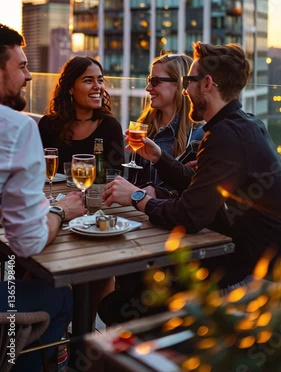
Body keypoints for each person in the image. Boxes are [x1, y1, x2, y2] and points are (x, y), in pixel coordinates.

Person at [103, 42, 281, 293]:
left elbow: (191, 215)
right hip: (240, 254)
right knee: (131, 284)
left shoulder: (225, 135)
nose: (185, 90)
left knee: (128, 295)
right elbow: (204, 188)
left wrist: (136, 196)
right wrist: (160, 159)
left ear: (207, 84)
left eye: (188, 81)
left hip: (250, 272)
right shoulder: (243, 124)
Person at [0, 24, 84, 371]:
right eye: (21, 66)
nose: (30, 76)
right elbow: (27, 242)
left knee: (14, 273)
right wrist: (60, 211)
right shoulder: (17, 128)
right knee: (61, 294)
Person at [129, 53, 204, 198]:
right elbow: (135, 182)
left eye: (155, 81)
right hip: (137, 214)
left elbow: (196, 194)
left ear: (179, 84)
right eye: (149, 80)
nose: (148, 88)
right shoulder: (145, 126)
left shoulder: (200, 135)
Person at [38, 56, 125, 173]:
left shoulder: (111, 126)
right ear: (70, 88)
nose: (97, 87)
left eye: (100, 80)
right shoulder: (48, 125)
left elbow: (115, 176)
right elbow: (36, 171)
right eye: (88, 81)